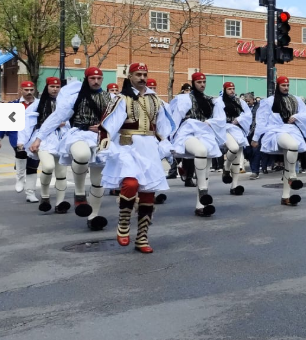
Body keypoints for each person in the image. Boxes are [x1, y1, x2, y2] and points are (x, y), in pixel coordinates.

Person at [98, 63, 172, 253]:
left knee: (148, 193)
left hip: (149, 149)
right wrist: (105, 143)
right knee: (130, 184)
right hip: (128, 147)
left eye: (144, 74)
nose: (142, 78)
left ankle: (142, 237)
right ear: (130, 76)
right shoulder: (122, 99)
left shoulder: (156, 100)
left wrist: (166, 144)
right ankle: (124, 222)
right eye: (138, 74)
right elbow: (108, 124)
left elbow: (163, 127)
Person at [31, 68, 112, 229]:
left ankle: (93, 216)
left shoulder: (110, 98)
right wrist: (38, 138)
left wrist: (105, 128)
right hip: (79, 134)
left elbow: (119, 120)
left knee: (98, 181)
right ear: (86, 79)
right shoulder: (75, 97)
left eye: (99, 78)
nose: (96, 81)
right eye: (92, 78)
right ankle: (79, 193)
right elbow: (56, 118)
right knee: (81, 155)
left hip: (101, 138)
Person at [167, 71, 226, 217]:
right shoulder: (184, 99)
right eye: (199, 82)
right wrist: (170, 138)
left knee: (206, 169)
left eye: (204, 82)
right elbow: (175, 118)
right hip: (188, 132)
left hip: (205, 132)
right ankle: (203, 191)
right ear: (193, 83)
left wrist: (210, 122)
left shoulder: (211, 100)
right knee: (200, 151)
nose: (202, 84)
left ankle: (201, 206)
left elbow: (220, 119)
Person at [251, 76, 306, 205]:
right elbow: (261, 120)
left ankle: (285, 196)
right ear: (278, 86)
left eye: (287, 85)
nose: (286, 87)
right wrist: (256, 138)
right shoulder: (269, 101)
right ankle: (292, 176)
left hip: (292, 130)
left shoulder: (295, 100)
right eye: (283, 85)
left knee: (288, 159)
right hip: (275, 131)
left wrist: (296, 116)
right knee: (293, 145)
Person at [22, 77, 67, 213]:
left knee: (61, 173)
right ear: (47, 87)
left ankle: (60, 203)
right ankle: (45, 195)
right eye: (52, 86)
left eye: (57, 86)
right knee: (48, 166)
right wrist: (22, 141)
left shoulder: (65, 103)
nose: (55, 89)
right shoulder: (38, 103)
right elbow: (27, 122)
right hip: (44, 138)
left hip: (61, 138)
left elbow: (73, 119)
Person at [215, 82, 253, 196]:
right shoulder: (219, 101)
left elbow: (248, 114)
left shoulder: (239, 101)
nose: (232, 91)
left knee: (237, 160)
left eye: (233, 88)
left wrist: (239, 120)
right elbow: (216, 116)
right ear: (225, 89)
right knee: (234, 148)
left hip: (237, 129)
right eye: (229, 89)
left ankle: (234, 186)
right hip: (224, 129)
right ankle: (226, 167)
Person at [9, 80, 37, 196]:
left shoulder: (39, 104)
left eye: (31, 90)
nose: (29, 92)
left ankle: (30, 192)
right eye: (26, 90)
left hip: (34, 137)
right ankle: (20, 178)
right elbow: (6, 123)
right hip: (17, 136)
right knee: (20, 153)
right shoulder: (14, 104)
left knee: (33, 164)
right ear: (21, 90)